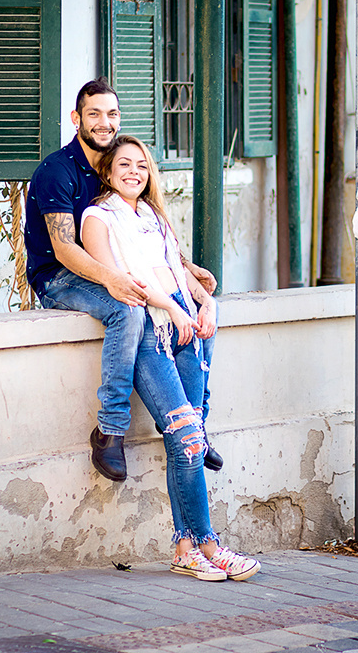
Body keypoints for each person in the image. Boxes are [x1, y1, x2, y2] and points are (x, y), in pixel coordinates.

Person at [80, 134, 259, 581]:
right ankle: (209, 545)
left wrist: (206, 304)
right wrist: (174, 309)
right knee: (188, 438)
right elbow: (122, 281)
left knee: (187, 441)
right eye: (124, 164)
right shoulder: (97, 218)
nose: (134, 172)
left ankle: (185, 548)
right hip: (151, 331)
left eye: (142, 165)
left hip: (185, 325)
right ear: (107, 171)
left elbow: (177, 271)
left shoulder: (155, 217)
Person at [24, 78, 221, 482]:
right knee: (127, 311)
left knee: (194, 310)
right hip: (59, 276)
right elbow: (64, 249)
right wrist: (113, 280)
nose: (104, 122)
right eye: (94, 113)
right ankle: (110, 431)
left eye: (111, 114)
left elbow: (138, 235)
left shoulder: (114, 166)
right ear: (77, 118)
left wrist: (184, 266)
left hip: (105, 269)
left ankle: (195, 426)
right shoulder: (57, 171)